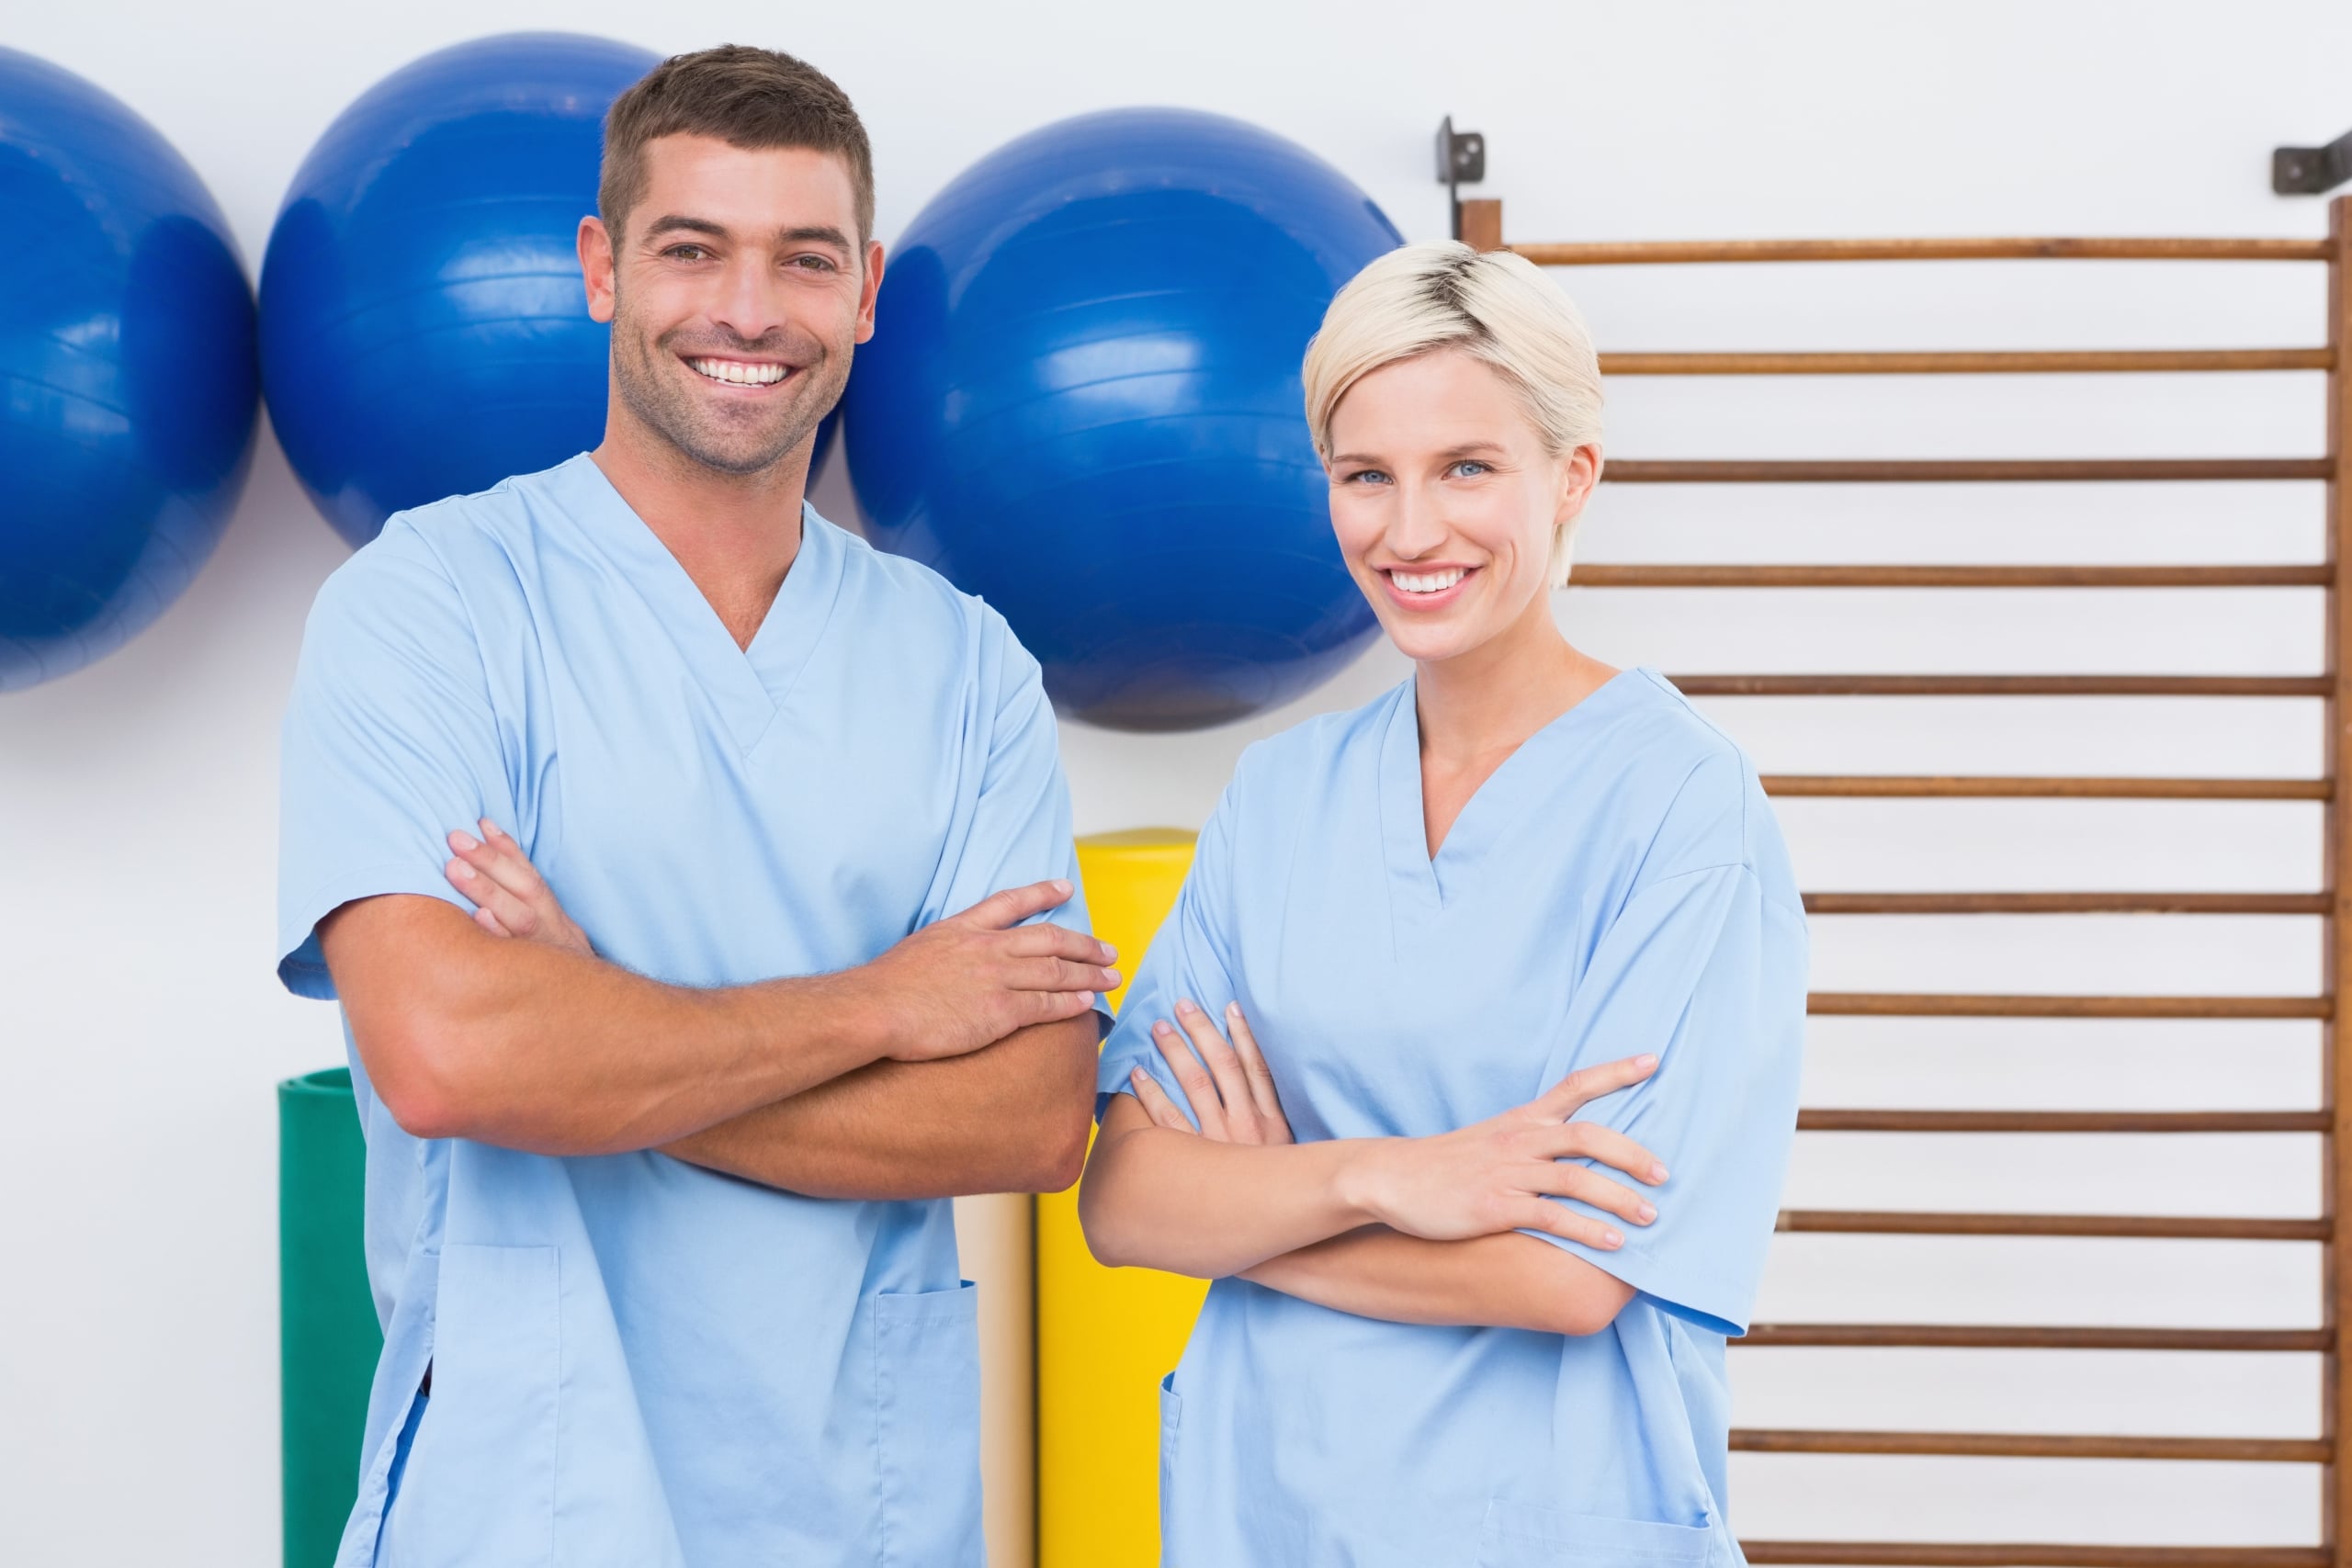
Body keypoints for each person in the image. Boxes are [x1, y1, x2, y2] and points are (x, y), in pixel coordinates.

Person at [274, 46, 1117, 1568]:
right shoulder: (428, 605)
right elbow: (452, 1056)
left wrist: (594, 1022)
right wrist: (883, 1005)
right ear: (603, 269)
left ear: (864, 293)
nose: (747, 309)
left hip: (858, 1508)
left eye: (804, 259)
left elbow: (1033, 1115)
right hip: (527, 1498)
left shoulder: (966, 667)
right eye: (692, 248)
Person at [1075, 242, 1809, 1566]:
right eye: (1367, 475)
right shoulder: (1279, 797)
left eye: (1466, 467)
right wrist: (1389, 1177)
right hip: (1266, 1511)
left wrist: (1255, 1216)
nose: (1410, 532)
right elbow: (1124, 1202)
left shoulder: (1681, 810)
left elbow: (1570, 1276)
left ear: (1571, 476)